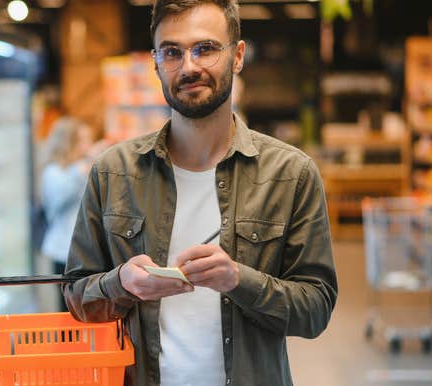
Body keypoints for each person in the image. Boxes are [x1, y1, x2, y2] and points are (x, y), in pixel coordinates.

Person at [62, 1, 338, 385]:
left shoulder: (290, 174)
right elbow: (76, 296)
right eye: (172, 52)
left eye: (205, 48)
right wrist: (122, 282)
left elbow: (316, 310)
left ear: (237, 56)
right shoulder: (113, 172)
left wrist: (238, 280)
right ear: (156, 63)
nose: (189, 66)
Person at [40, 116, 108, 310]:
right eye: (83, 140)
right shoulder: (54, 172)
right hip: (64, 251)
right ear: (69, 142)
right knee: (67, 309)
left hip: (89, 251)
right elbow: (60, 196)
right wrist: (87, 161)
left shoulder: (83, 168)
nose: (88, 145)